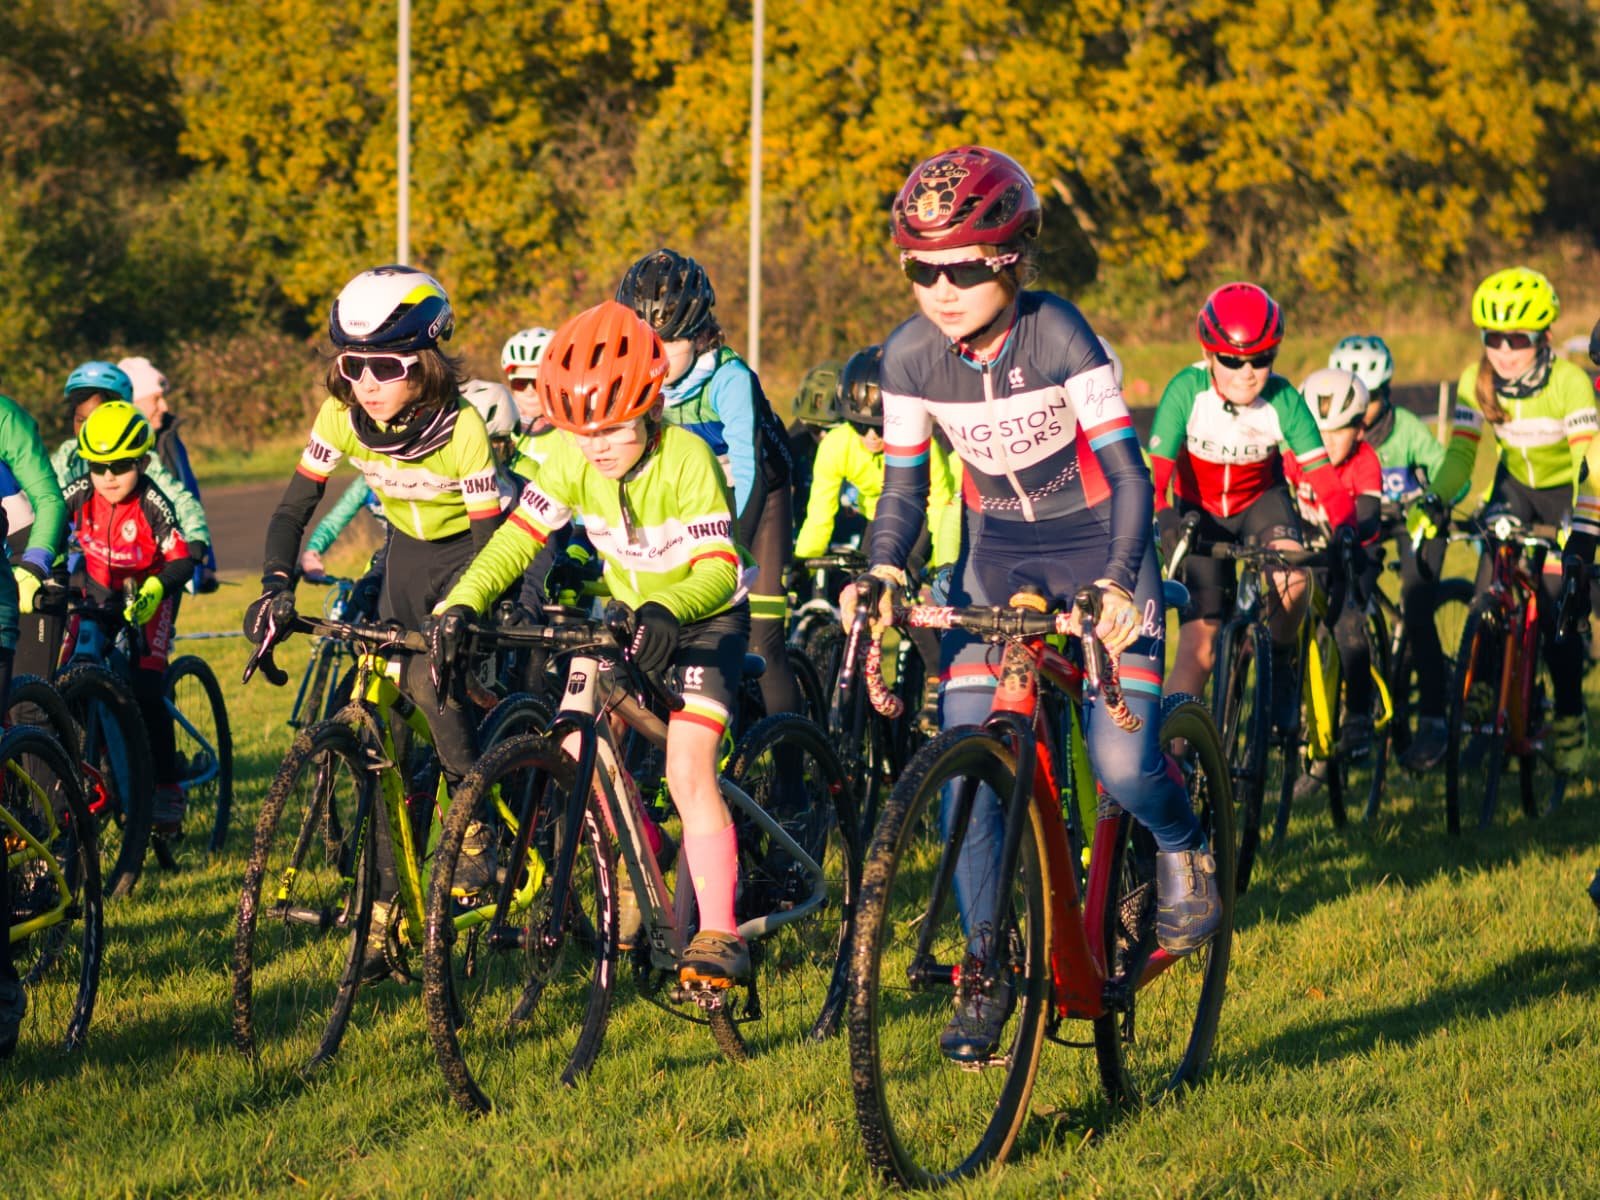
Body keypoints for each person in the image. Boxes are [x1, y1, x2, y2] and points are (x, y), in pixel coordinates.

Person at [850, 145, 1217, 1062]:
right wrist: (885, 568)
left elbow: (1129, 476)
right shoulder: (907, 355)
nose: (941, 290)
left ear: (1011, 259)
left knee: (1122, 764)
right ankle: (987, 965)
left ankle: (1183, 841)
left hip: (1100, 541)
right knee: (967, 767)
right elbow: (903, 491)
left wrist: (1120, 579)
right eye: (921, 269)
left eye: (964, 268)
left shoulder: (1057, 333)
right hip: (996, 552)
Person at [430, 300, 755, 983]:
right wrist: (462, 601)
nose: (597, 446)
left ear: (651, 407)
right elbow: (517, 539)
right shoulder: (568, 458)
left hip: (704, 620)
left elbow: (719, 568)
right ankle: (652, 844)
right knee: (575, 749)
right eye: (581, 433)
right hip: (631, 618)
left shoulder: (687, 457)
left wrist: (668, 608)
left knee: (687, 769)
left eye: (613, 429)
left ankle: (721, 932)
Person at [247, 265, 503, 971]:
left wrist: (467, 613)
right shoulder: (340, 416)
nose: (365, 382)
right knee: (381, 737)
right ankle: (387, 911)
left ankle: (476, 830)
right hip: (404, 559)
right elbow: (294, 510)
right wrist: (274, 586)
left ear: (425, 361)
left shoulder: (463, 428)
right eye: (351, 364)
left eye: (385, 366)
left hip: (467, 558)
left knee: (428, 684)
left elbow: (490, 541)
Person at [1150, 283, 1357, 732]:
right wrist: (1165, 517)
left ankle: (1281, 665)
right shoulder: (1186, 391)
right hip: (1199, 511)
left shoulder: (1283, 399)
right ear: (1209, 355)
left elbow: (1324, 478)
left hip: (1261, 504)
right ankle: (1169, 758)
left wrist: (1346, 528)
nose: (1247, 373)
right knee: (1198, 650)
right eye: (1232, 360)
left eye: (1261, 359)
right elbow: (1156, 479)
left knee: (1292, 579)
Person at [1424, 267, 1597, 774]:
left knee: (1555, 602)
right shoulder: (1474, 382)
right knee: (1489, 585)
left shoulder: (1568, 382)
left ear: (1543, 337)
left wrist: (1581, 528)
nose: (1503, 351)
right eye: (1492, 337)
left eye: (1516, 339)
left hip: (1566, 492)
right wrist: (1435, 498)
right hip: (1513, 490)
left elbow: (1588, 463)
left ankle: (1569, 713)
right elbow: (1461, 455)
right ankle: (1482, 685)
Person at [616, 249, 801, 722]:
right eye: (645, 342)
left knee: (762, 637)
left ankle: (795, 763)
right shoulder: (635, 378)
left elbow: (750, 471)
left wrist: (734, 552)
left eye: (669, 342)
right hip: (695, 496)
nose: (655, 357)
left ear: (700, 335)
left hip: (757, 495)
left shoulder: (728, 378)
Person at [1329, 334, 1462, 769]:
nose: (1358, 410)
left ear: (1385, 393)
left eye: (1367, 399)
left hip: (1416, 521)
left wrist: (1435, 501)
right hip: (1368, 522)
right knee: (1347, 596)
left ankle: (1433, 720)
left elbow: (1450, 471)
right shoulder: (1337, 430)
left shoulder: (1405, 427)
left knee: (1417, 606)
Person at [64, 403, 196, 833]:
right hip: (98, 597)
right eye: (97, 466)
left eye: (120, 466)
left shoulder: (152, 501)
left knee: (145, 687)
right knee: (71, 677)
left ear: (142, 461)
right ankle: (106, 759)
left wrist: (157, 588)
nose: (108, 476)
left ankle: (167, 787)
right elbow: (45, 527)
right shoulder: (79, 493)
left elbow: (183, 560)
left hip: (149, 597)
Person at [0, 390, 68, 1059]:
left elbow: (49, 498)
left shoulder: (5, 417)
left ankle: (38, 856)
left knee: (23, 713)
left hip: (17, 575)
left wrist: (37, 562)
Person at [1285, 367, 1384, 792]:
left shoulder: (1365, 462)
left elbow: (1369, 515)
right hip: (1310, 553)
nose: (1325, 441)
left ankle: (1358, 715)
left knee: (1348, 627)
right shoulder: (1294, 457)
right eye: (1317, 431)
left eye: (1338, 431)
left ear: (1360, 430)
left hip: (1354, 555)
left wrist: (1349, 534)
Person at [52, 362, 212, 597]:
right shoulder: (67, 455)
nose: (89, 429)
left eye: (98, 418)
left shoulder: (142, 461)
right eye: (80, 420)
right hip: (86, 561)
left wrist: (196, 539)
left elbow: (181, 501)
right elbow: (45, 499)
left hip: (138, 562)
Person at [118, 356, 217, 593]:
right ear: (131, 402)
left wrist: (204, 563)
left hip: (175, 565)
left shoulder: (168, 437)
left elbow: (189, 500)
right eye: (156, 399)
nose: (164, 407)